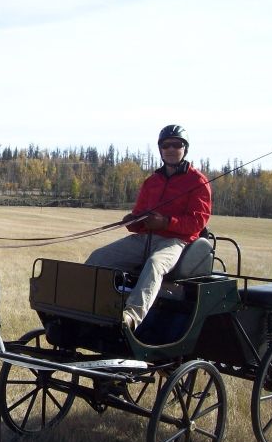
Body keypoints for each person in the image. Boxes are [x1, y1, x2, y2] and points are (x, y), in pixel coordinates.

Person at [85, 124, 212, 334]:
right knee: (98, 257)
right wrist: (132, 221)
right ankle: (92, 307)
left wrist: (166, 223)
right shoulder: (152, 181)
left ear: (184, 149)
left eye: (176, 144)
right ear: (160, 149)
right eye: (166, 145)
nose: (171, 149)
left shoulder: (198, 181)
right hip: (145, 238)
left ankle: (131, 318)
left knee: (155, 264)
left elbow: (198, 222)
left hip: (177, 241)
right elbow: (140, 215)